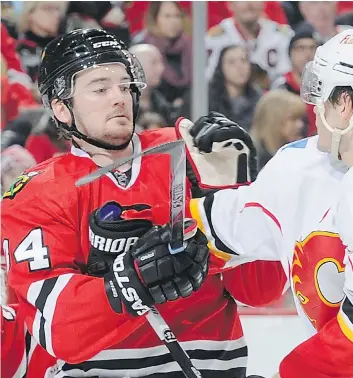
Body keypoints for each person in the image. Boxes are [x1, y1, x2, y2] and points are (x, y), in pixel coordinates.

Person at [1, 28, 286, 378]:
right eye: (100, 89)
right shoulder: (37, 193)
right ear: (62, 107)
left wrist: (240, 191)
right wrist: (129, 281)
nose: (119, 98)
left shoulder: (192, 153)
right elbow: (59, 330)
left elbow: (261, 290)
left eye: (124, 86)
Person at [179, 27, 353, 377]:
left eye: (323, 92)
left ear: (347, 104)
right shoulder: (300, 162)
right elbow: (229, 228)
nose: (314, 105)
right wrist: (162, 234)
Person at [205, 1, 294, 84]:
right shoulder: (215, 39)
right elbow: (210, 79)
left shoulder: (282, 35)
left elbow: (289, 76)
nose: (249, 4)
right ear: (230, 4)